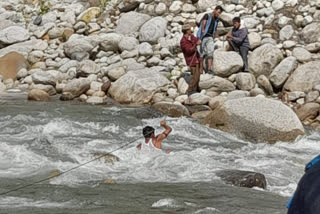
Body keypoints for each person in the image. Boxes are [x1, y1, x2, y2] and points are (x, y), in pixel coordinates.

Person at [197, 5, 224, 74]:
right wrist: (201, 35)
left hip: (210, 37)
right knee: (201, 53)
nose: (218, 14)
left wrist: (215, 34)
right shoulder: (207, 15)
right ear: (215, 10)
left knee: (210, 52)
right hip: (203, 36)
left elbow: (215, 29)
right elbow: (203, 24)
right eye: (218, 12)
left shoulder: (217, 20)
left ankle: (209, 68)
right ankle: (200, 69)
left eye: (219, 13)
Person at [180, 24, 202, 96]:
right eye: (189, 30)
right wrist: (196, 45)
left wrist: (199, 41)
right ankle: (189, 90)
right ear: (186, 31)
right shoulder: (183, 41)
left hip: (197, 58)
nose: (191, 31)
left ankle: (195, 90)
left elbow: (197, 40)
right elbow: (188, 51)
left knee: (198, 76)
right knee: (195, 76)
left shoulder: (191, 37)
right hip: (191, 60)